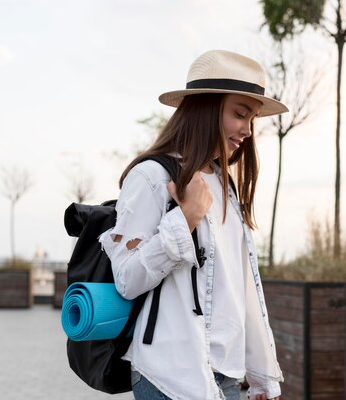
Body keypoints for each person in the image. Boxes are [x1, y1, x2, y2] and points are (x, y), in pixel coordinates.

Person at [99, 50, 287, 400]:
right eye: (239, 114)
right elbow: (126, 279)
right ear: (206, 109)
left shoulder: (224, 184)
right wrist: (184, 220)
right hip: (170, 379)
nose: (247, 130)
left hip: (227, 378)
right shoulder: (151, 177)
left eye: (253, 118)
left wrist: (263, 377)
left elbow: (242, 288)